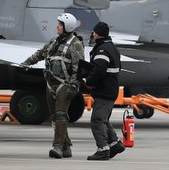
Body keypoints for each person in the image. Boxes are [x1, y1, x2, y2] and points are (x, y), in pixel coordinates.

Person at [21, 12, 85, 159]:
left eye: (60, 24)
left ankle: (57, 147)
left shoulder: (75, 44)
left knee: (61, 115)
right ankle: (66, 147)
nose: (57, 26)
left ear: (67, 26)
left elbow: (79, 68)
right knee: (55, 117)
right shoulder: (53, 41)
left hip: (65, 84)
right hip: (51, 84)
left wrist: (74, 86)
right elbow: (40, 54)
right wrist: (26, 63)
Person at [82, 21, 125, 161]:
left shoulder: (102, 50)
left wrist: (87, 82)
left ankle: (102, 150)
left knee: (97, 120)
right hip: (110, 90)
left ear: (97, 34)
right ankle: (115, 144)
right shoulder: (112, 48)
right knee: (104, 120)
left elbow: (99, 69)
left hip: (104, 92)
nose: (93, 34)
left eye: (94, 32)